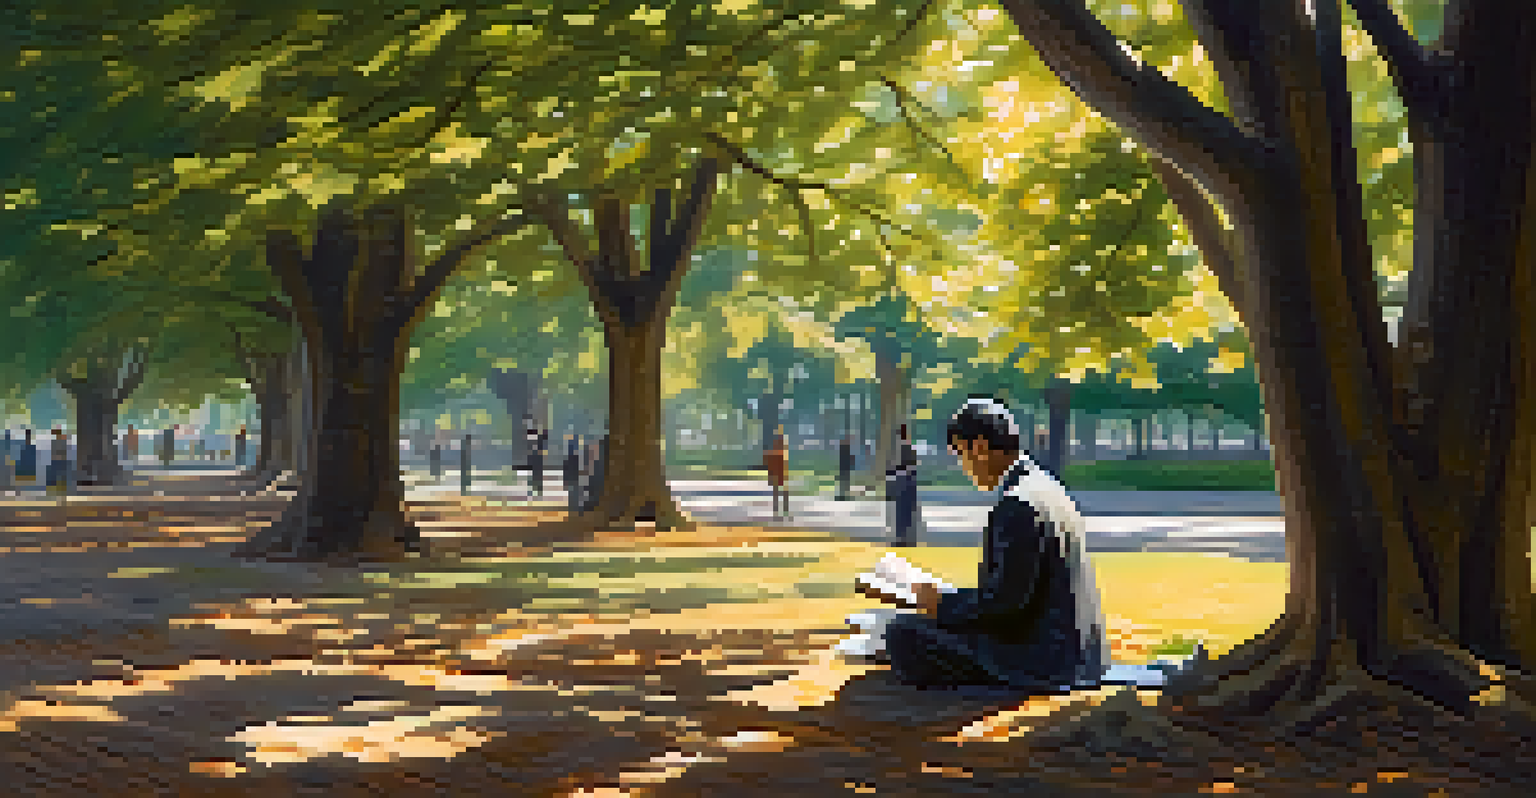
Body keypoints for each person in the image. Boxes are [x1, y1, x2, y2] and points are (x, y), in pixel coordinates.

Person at [858, 398, 1110, 693]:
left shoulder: (1018, 503)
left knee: (903, 633)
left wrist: (941, 604)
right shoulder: (1045, 487)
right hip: (1077, 654)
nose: (963, 467)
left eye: (960, 454)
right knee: (920, 626)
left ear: (977, 447)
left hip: (1043, 660)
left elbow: (1005, 603)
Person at [886, 424, 920, 546]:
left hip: (903, 481)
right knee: (907, 512)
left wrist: (890, 472)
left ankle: (903, 538)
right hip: (908, 481)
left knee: (902, 513)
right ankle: (907, 538)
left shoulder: (902, 447)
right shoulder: (909, 447)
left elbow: (901, 466)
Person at [763, 425, 789, 518]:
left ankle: (780, 509)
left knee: (780, 491)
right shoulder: (779, 448)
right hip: (778, 471)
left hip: (780, 471)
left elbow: (772, 458)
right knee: (779, 491)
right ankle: (780, 509)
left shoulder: (779, 448)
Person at [563, 434, 582, 513]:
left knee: (573, 491)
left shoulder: (571, 457)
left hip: (573, 475)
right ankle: (575, 508)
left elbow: (566, 467)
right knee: (574, 491)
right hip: (574, 475)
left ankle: (574, 508)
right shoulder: (576, 457)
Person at [838, 433, 855, 501]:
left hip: (844, 468)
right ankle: (844, 495)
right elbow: (851, 459)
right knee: (845, 482)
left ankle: (843, 495)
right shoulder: (847, 450)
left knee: (844, 482)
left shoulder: (844, 450)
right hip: (845, 468)